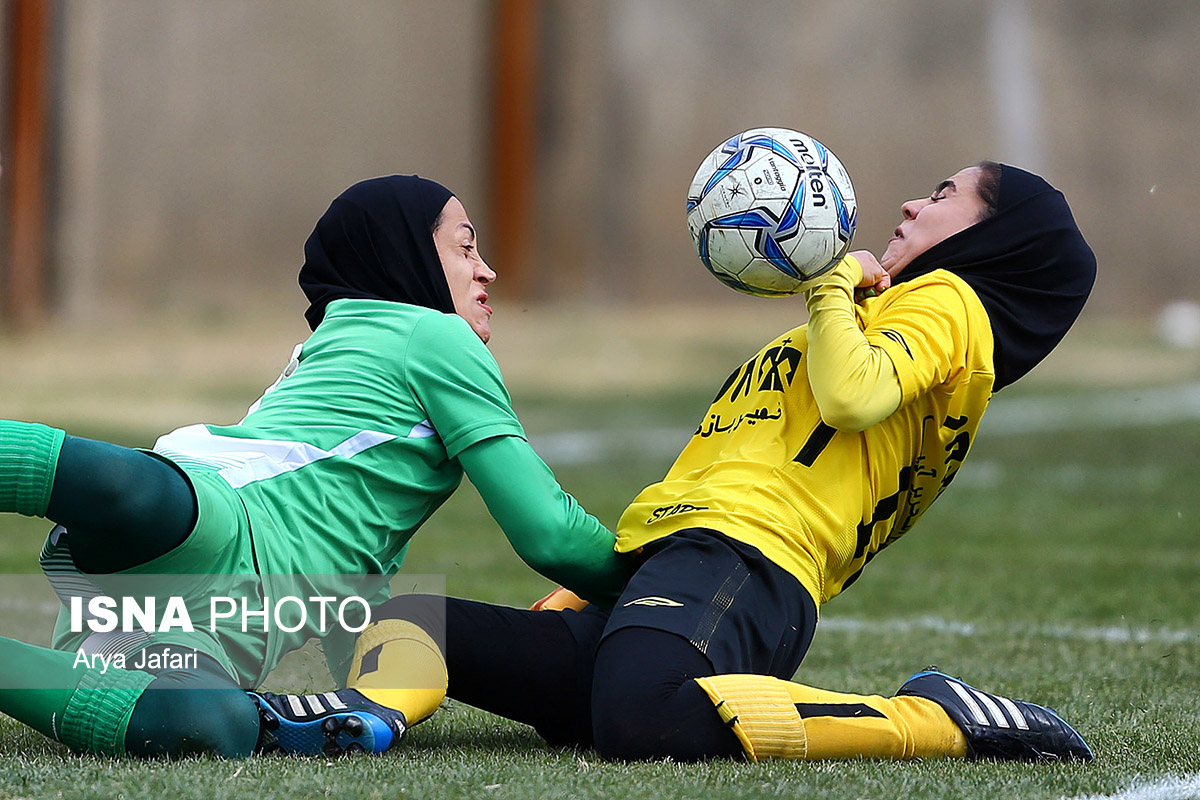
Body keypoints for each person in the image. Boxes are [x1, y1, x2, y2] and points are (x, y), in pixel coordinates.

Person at [262, 162, 1098, 762]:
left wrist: (829, 283)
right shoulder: (878, 315)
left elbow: (852, 397)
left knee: (642, 717)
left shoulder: (952, 304)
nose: (915, 200)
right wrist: (603, 581)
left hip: (749, 564)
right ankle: (361, 719)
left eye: (946, 194)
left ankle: (935, 719)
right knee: (412, 619)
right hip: (675, 566)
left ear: (996, 238)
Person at [0, 174, 631, 759]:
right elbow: (548, 531)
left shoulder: (335, 350)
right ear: (403, 255)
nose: (486, 269)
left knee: (217, 724)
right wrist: (652, 582)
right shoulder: (434, 334)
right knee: (131, 493)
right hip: (223, 523)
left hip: (180, 618)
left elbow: (350, 603)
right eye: (466, 249)